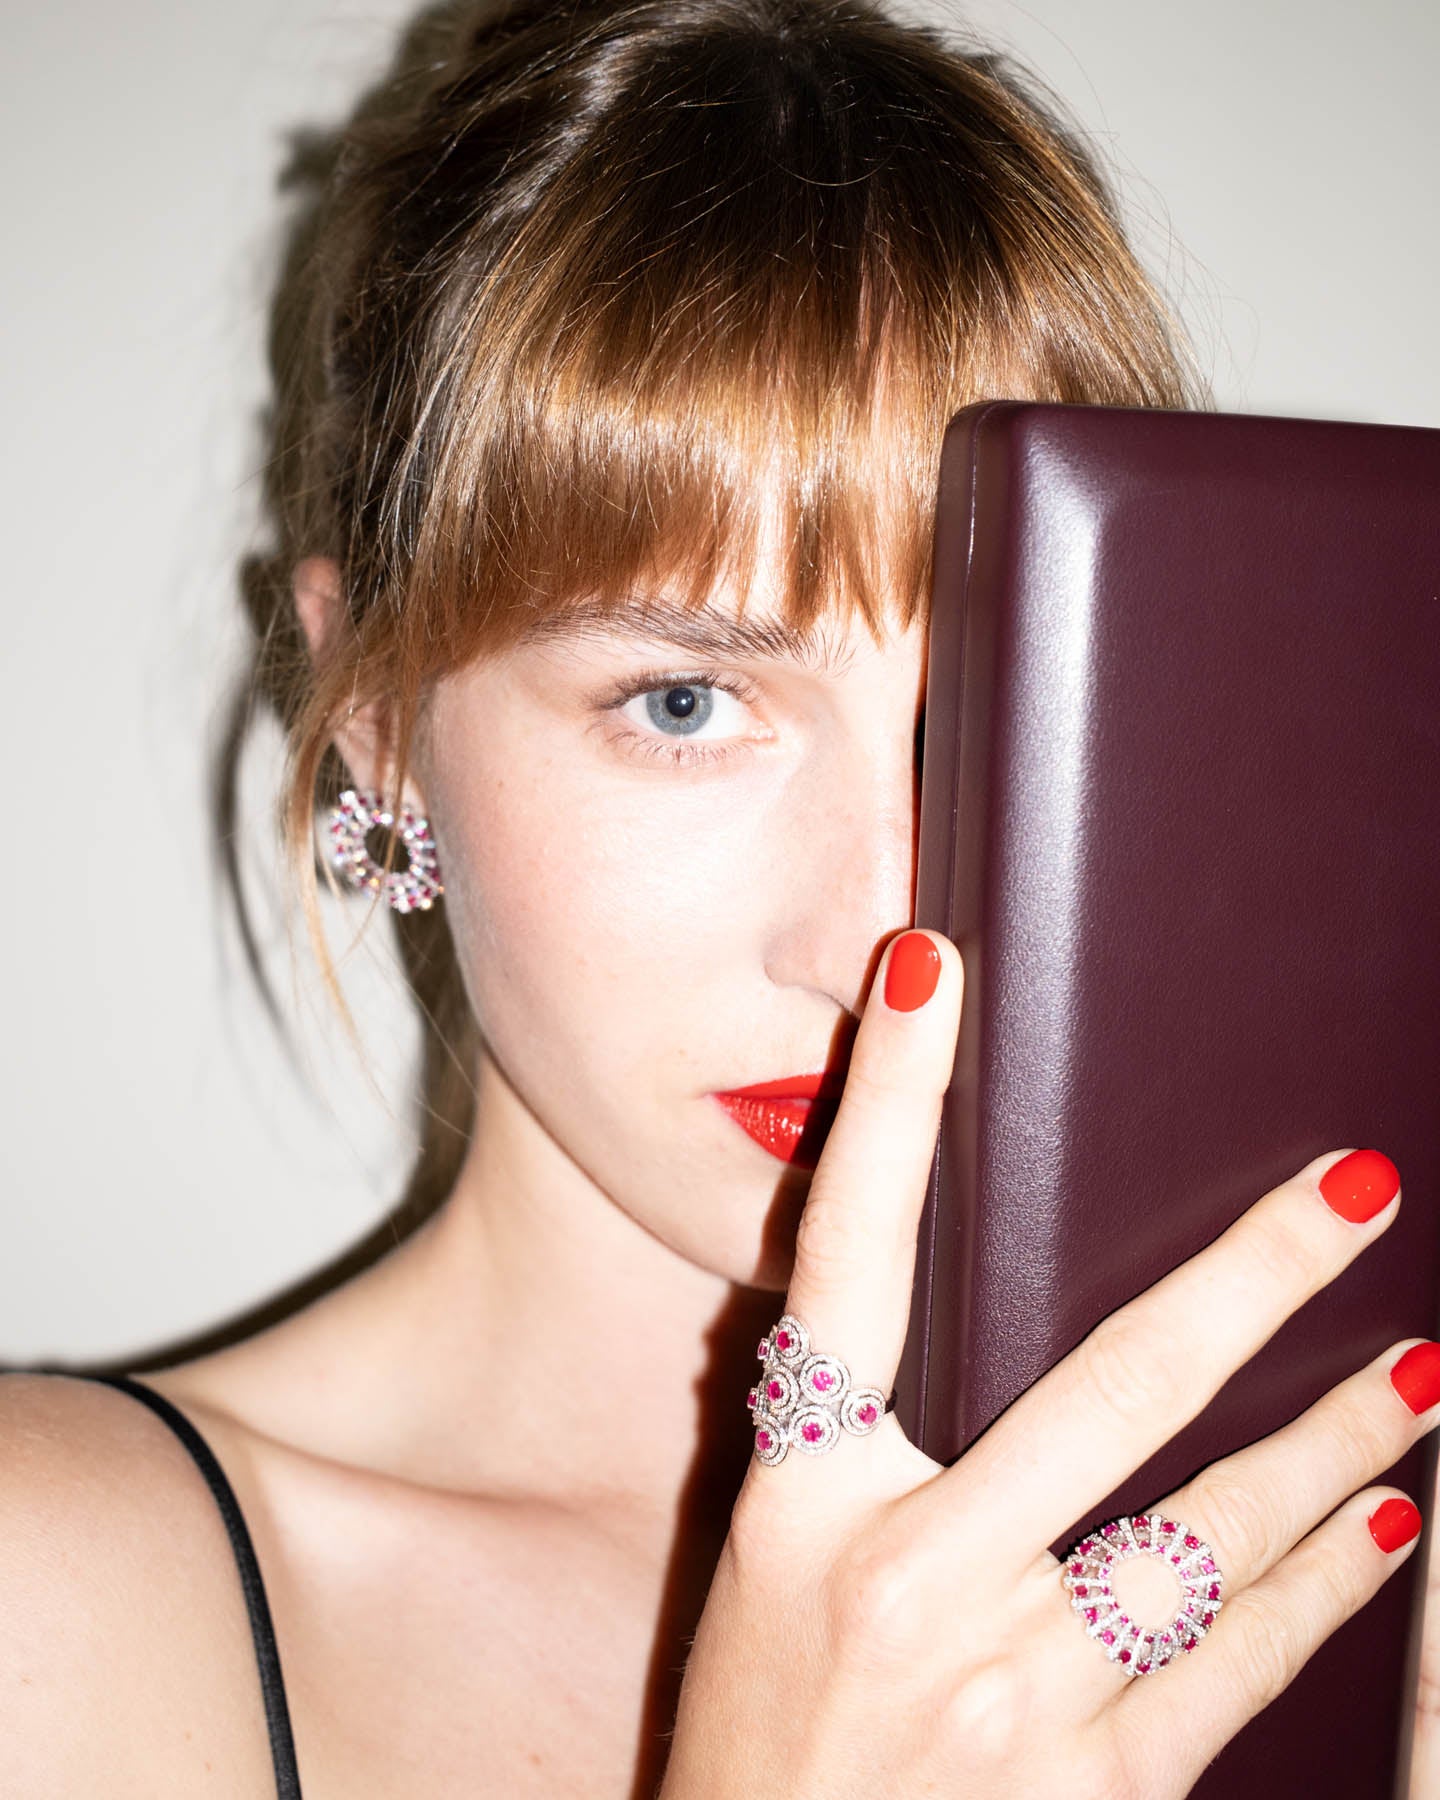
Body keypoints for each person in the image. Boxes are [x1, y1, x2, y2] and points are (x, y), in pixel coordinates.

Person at [4, 1, 1437, 1793]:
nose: (876, 940)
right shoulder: (47, 1597)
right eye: (684, 704)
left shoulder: (1260, 1557)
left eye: (975, 718)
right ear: (374, 727)